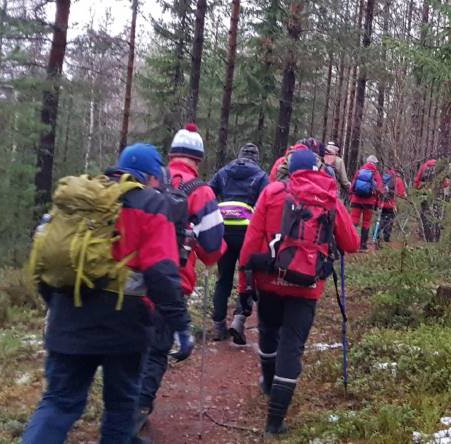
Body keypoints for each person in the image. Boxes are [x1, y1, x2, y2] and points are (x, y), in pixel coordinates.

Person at [24, 144, 193, 444]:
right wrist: (180, 324)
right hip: (124, 326)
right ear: (151, 177)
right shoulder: (151, 203)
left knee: (59, 402)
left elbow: (44, 263)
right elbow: (161, 273)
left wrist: (58, 306)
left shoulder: (79, 200)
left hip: (68, 315)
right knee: (121, 407)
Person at [237, 149, 360, 436]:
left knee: (268, 332)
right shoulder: (328, 197)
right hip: (307, 286)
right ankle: (274, 422)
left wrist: (244, 286)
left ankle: (269, 384)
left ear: (290, 170)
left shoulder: (272, 192)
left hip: (270, 279)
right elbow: (352, 244)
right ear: (316, 169)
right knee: (291, 347)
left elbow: (251, 241)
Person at [135, 124, 225, 432]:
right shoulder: (201, 191)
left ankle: (120, 407)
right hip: (172, 282)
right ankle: (135, 414)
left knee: (130, 347)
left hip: (131, 279)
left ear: (172, 153)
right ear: (198, 159)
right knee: (157, 350)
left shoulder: (148, 178)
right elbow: (212, 248)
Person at [209, 143, 269, 344]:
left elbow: (208, 193)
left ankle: (218, 325)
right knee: (248, 277)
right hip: (247, 232)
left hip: (224, 230)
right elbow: (267, 202)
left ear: (239, 155)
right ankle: (239, 319)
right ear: (256, 158)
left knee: (223, 278)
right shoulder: (260, 175)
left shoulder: (224, 172)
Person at [414, 159, 451, 242]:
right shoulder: (441, 167)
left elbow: (417, 179)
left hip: (424, 192)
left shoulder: (424, 166)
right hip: (437, 194)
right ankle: (436, 237)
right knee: (437, 214)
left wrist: (416, 190)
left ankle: (427, 236)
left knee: (425, 214)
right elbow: (446, 183)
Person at [349, 155, 385, 250]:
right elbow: (380, 188)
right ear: (375, 163)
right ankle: (363, 245)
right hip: (369, 202)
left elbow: (352, 186)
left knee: (353, 221)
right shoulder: (375, 173)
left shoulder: (360, 171)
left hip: (356, 200)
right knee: (366, 222)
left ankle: (351, 243)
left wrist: (352, 195)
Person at [377, 166, 407, 244]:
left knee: (382, 218)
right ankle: (386, 237)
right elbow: (401, 193)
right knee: (389, 220)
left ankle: (376, 234)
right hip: (391, 204)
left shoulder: (384, 177)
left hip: (382, 203)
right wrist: (405, 196)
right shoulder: (398, 180)